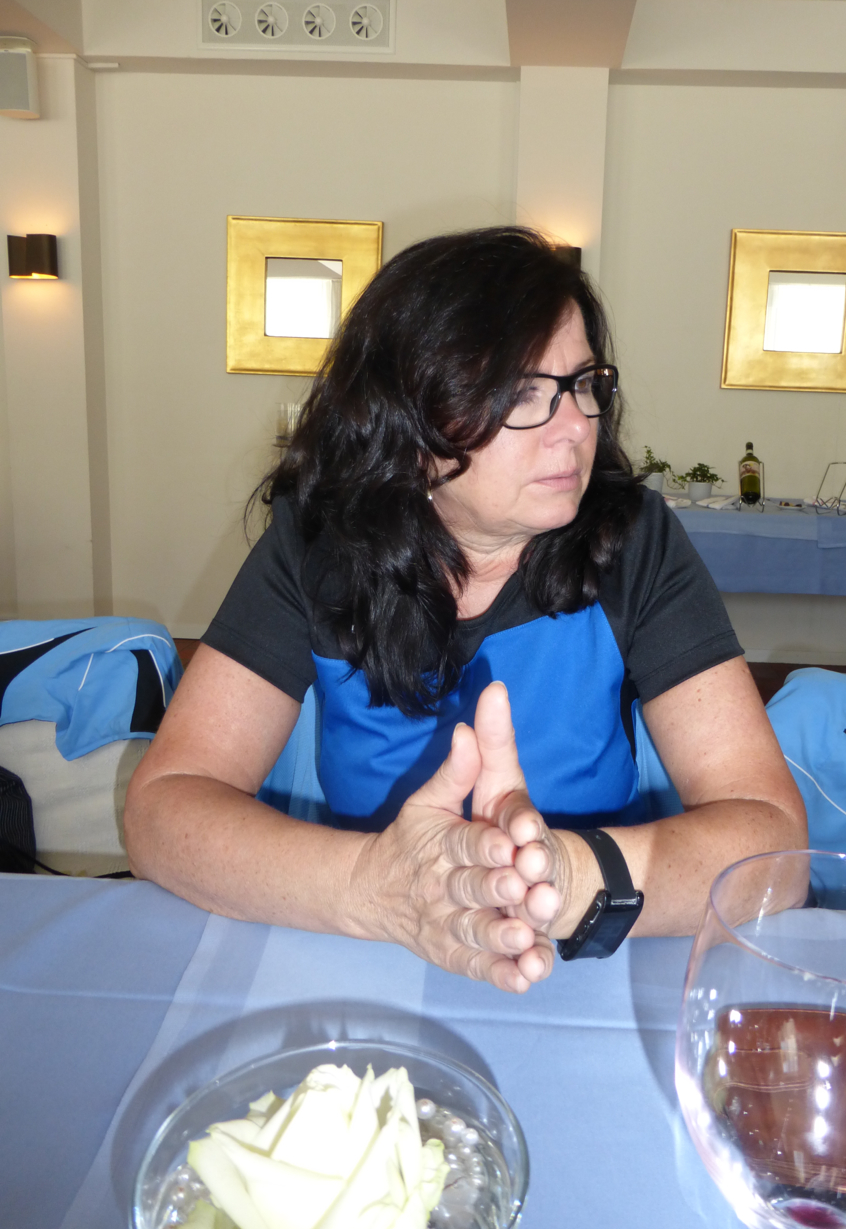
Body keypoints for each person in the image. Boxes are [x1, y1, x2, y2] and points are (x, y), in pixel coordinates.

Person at [125, 227, 806, 994]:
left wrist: (563, 878)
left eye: (583, 383)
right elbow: (160, 810)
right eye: (521, 393)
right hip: (365, 957)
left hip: (576, 960)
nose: (576, 426)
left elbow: (774, 843)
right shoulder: (320, 544)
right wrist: (379, 886)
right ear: (408, 421)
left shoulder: (631, 541)